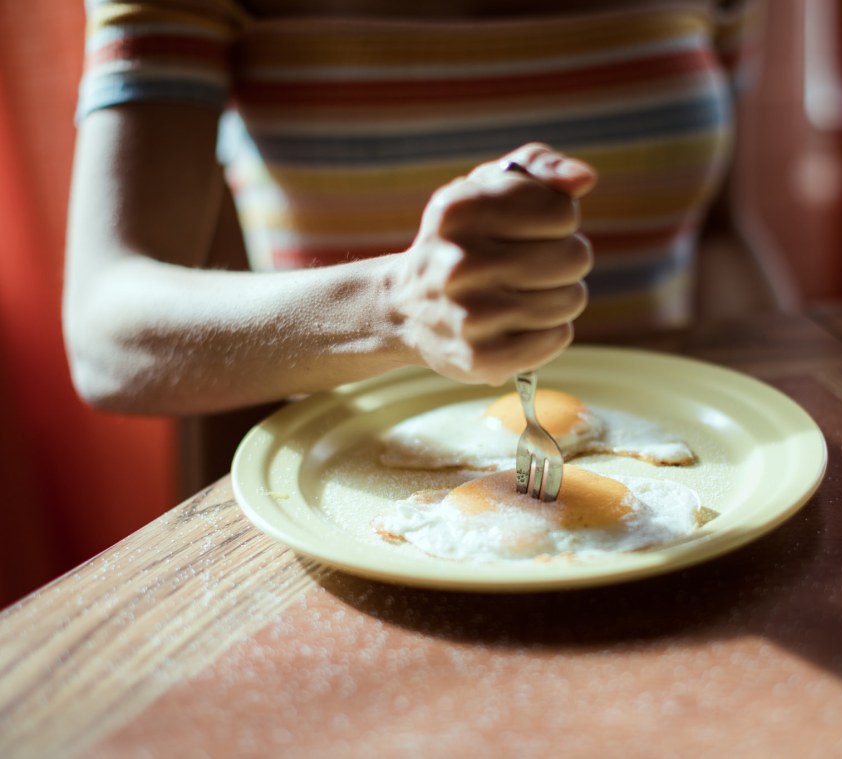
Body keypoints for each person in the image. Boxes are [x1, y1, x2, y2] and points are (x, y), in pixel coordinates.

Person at [64, 0, 781, 487]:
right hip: (365, 498)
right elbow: (106, 333)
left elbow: (720, 237)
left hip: (678, 495)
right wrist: (396, 307)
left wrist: (787, 424)